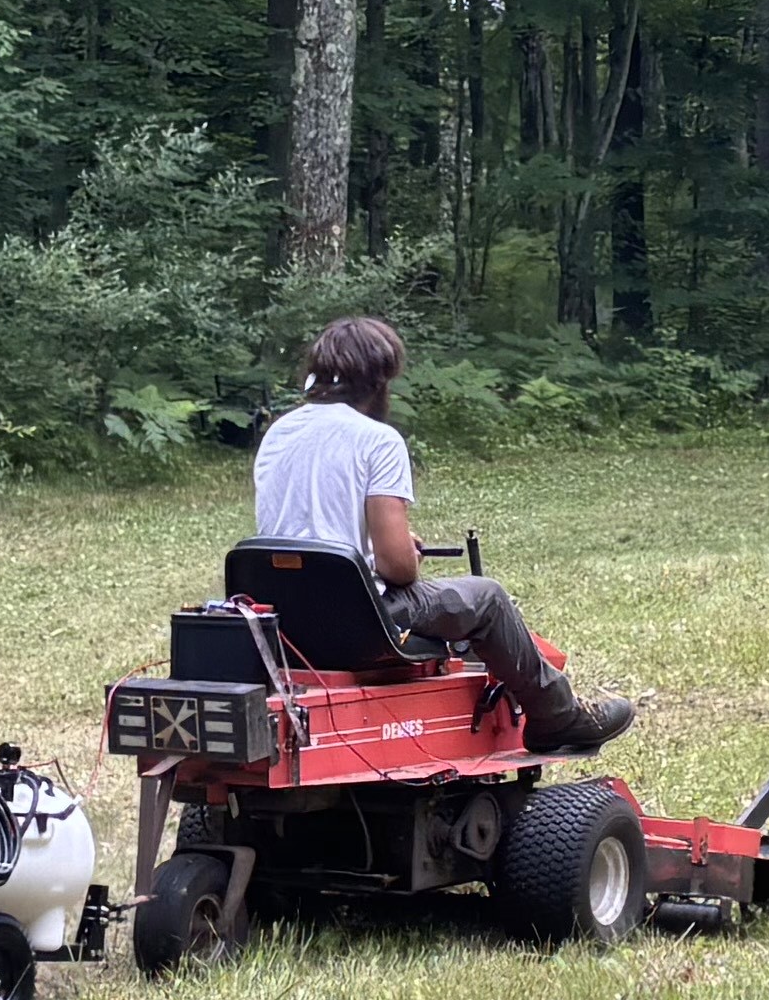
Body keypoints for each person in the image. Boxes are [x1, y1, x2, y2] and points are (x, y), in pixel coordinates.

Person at [246, 315, 632, 754]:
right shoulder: (378, 440)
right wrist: (406, 554)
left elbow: (309, 529)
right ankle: (557, 718)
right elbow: (396, 566)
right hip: (359, 622)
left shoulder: (278, 433)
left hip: (287, 624)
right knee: (487, 598)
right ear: (379, 380)